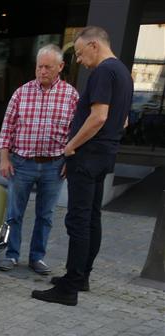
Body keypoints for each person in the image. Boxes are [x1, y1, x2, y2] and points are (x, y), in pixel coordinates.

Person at [32, 26, 133, 306]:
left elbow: (99, 117)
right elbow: (124, 120)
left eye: (78, 53)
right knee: (91, 218)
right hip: (104, 155)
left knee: (78, 221)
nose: (78, 60)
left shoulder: (103, 71)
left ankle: (69, 288)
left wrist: (71, 146)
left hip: (87, 157)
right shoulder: (124, 73)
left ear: (94, 46)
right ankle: (80, 277)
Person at [0, 44, 79, 275]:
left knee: (46, 215)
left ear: (60, 67)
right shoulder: (21, 93)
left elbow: (76, 132)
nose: (42, 71)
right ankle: (11, 255)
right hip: (21, 163)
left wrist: (69, 161)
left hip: (54, 165)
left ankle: (37, 257)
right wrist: (4, 158)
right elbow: (7, 128)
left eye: (48, 67)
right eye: (39, 66)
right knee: (14, 213)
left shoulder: (71, 96)